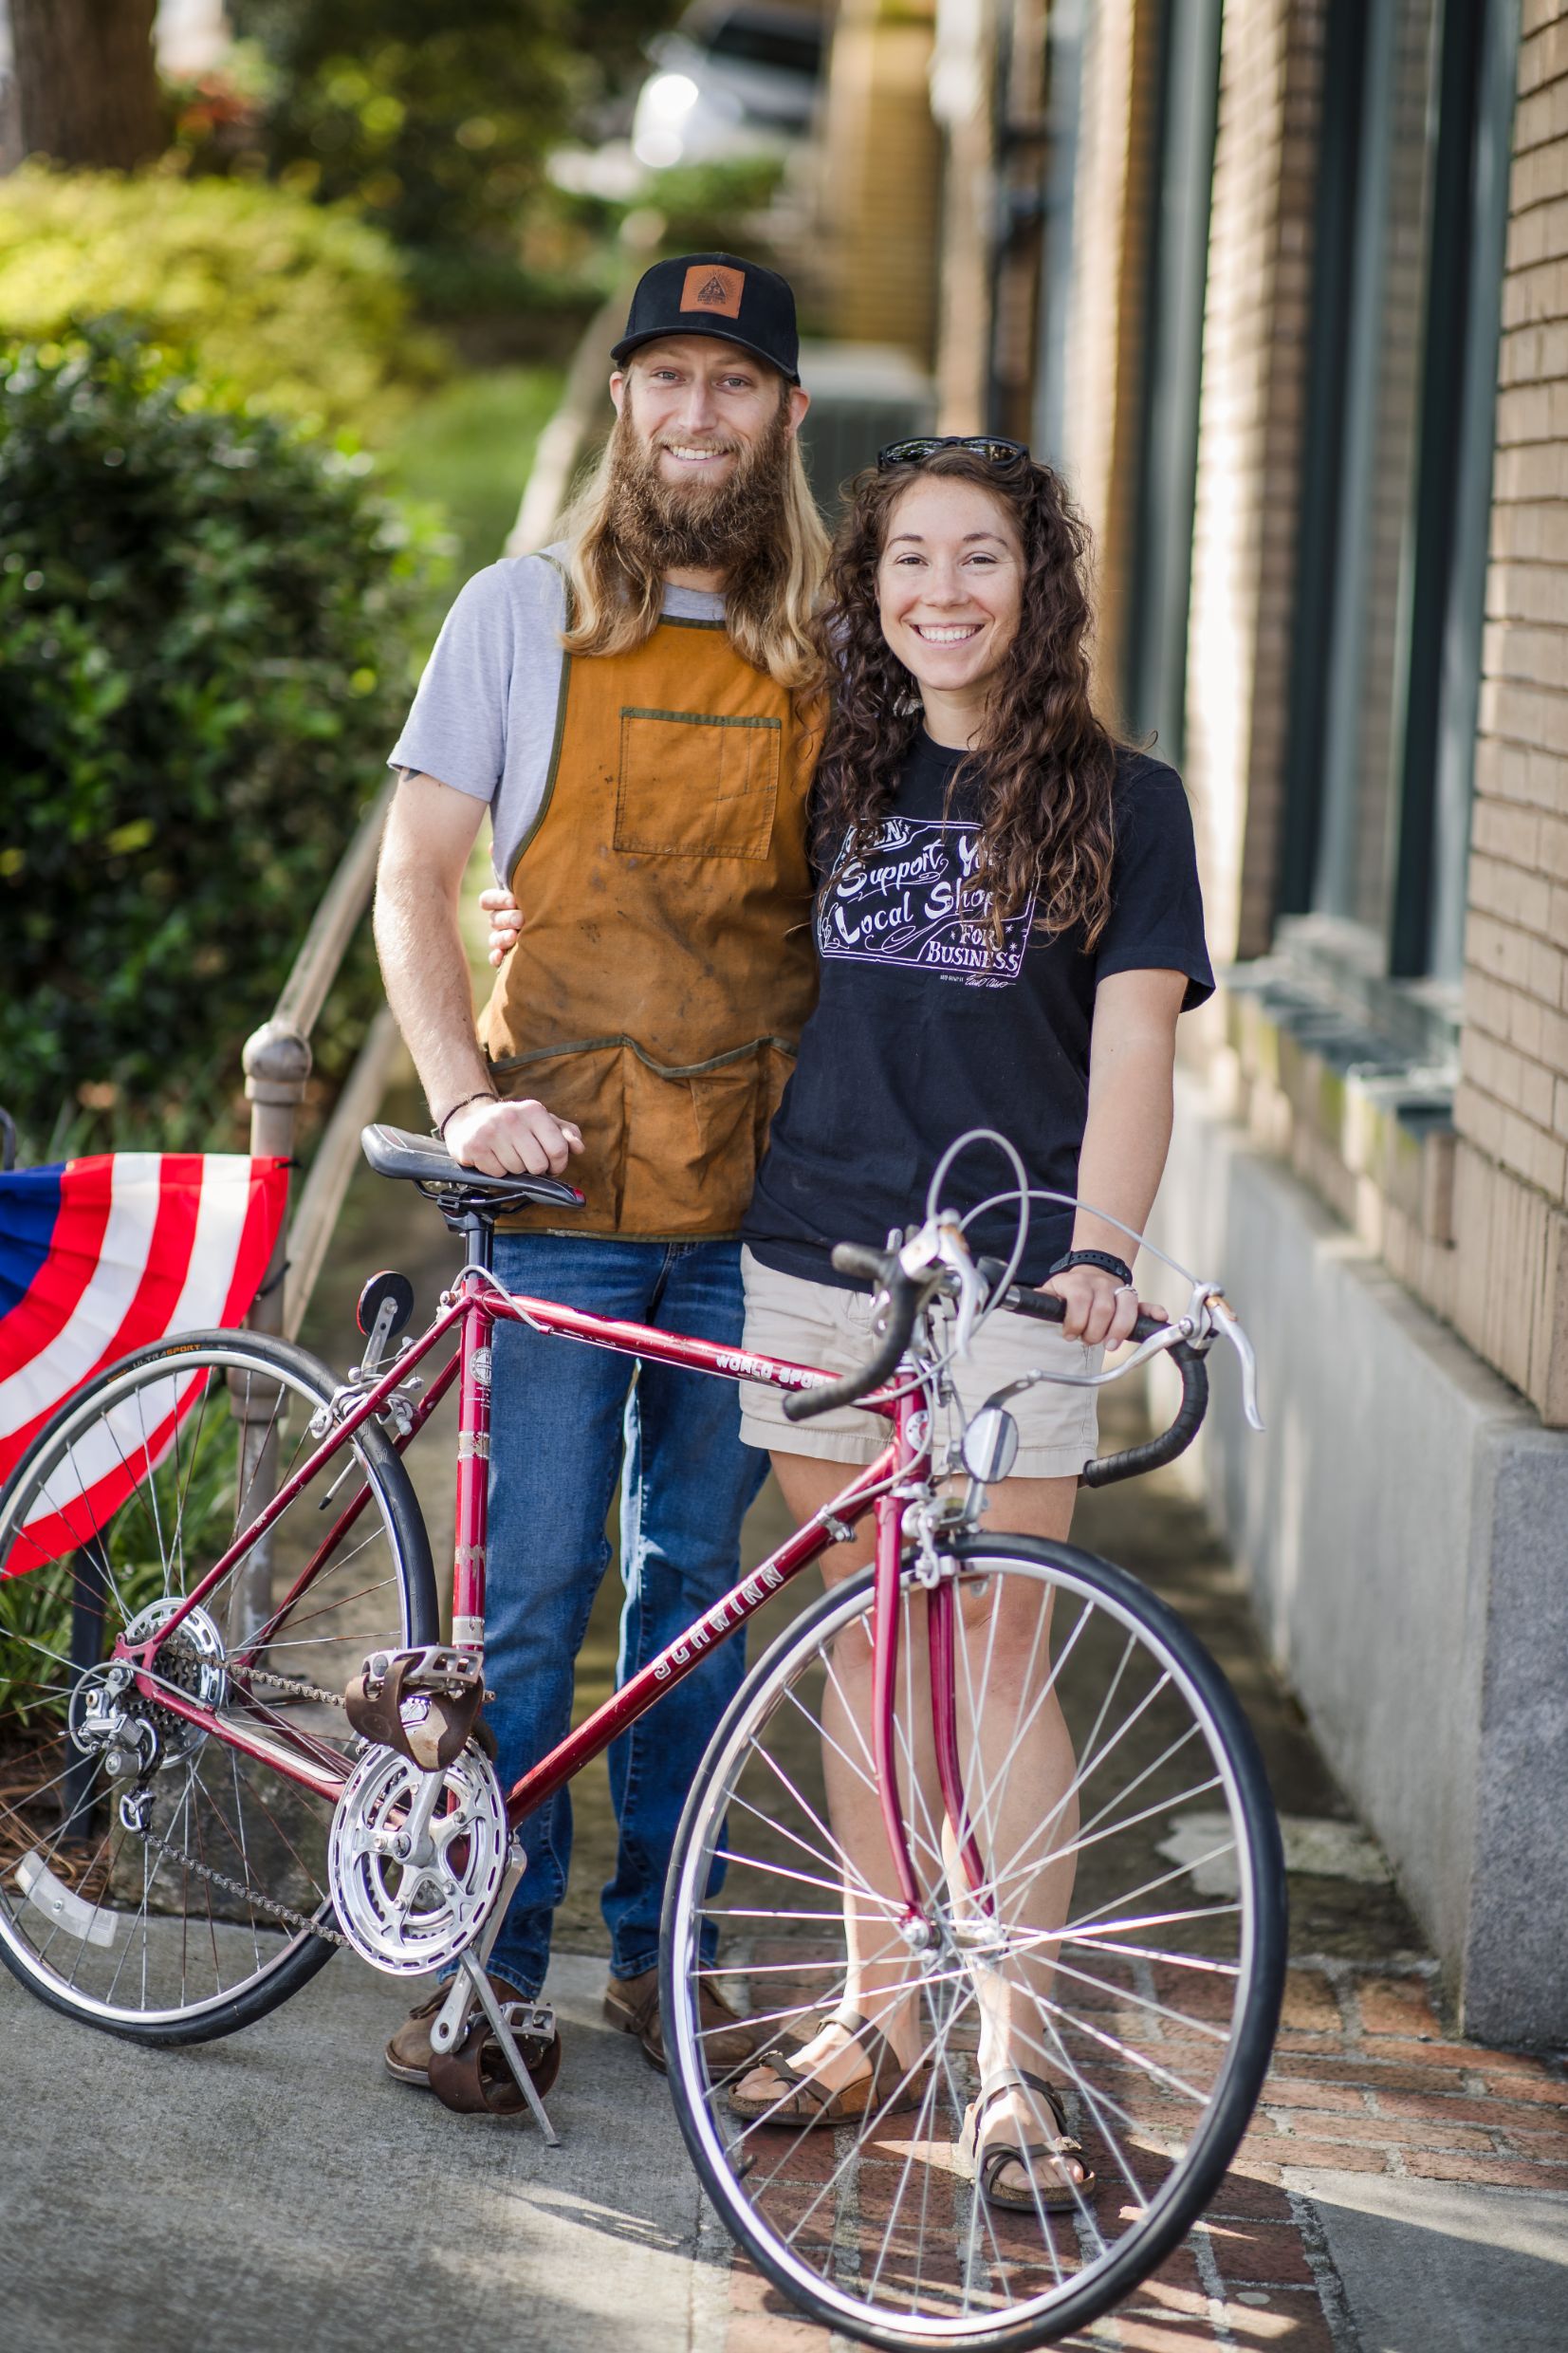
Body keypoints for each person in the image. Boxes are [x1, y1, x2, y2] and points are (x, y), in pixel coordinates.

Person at [490, 435, 1213, 2203]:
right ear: (869, 586)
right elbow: (685, 909)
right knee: (853, 1638)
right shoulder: (843, 763)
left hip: (1013, 1281)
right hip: (821, 1258)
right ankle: (876, 2010)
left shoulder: (1125, 800)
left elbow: (1133, 1044)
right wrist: (513, 912)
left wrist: (1103, 1246)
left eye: (979, 561)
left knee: (988, 1655)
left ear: (1035, 585)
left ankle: (1012, 2054)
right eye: (907, 563)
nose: (941, 595)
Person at [373, 251, 830, 2093]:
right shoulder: (517, 608)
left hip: (752, 1200)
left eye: (733, 383)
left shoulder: (835, 642)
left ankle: (664, 1958)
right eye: (667, 379)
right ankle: (478, 1976)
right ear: (625, 399)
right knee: (535, 1587)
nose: (696, 415)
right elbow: (419, 874)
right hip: (556, 1198)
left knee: (693, 1595)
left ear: (785, 415)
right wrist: (461, 1095)